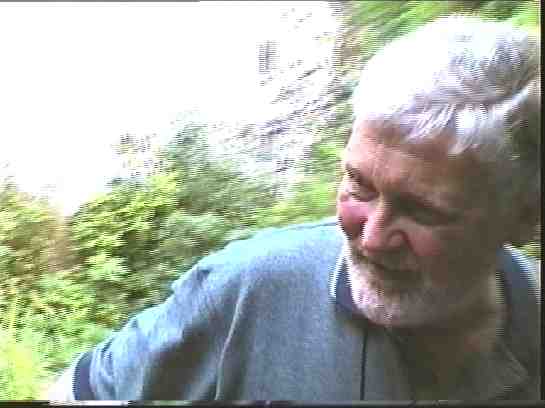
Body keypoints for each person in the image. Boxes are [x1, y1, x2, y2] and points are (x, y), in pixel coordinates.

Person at [46, 16, 540, 401]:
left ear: (524, 216)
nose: (371, 237)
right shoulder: (248, 288)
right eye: (359, 184)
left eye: (423, 210)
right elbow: (78, 391)